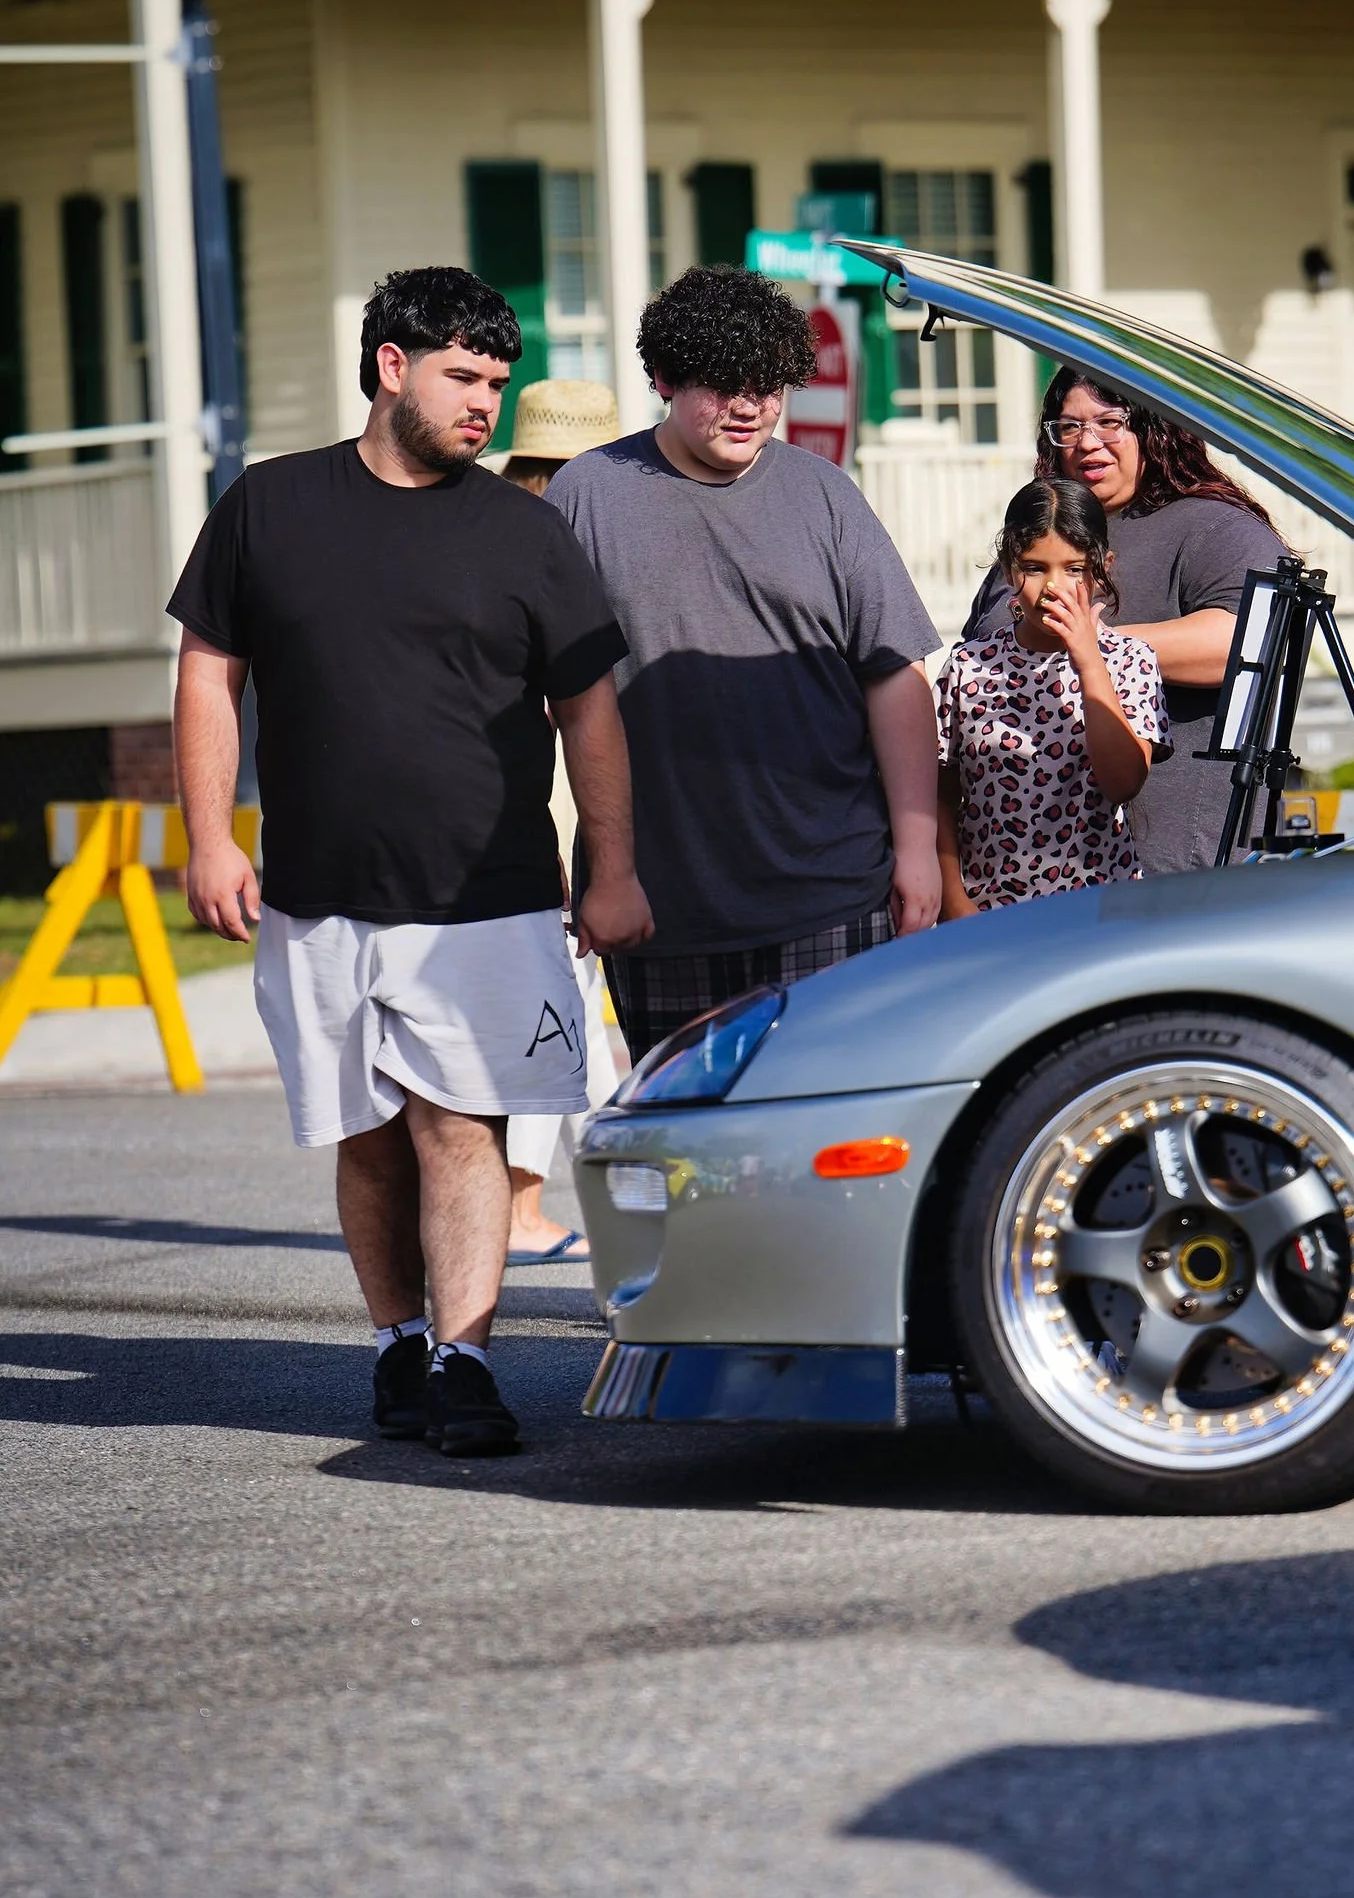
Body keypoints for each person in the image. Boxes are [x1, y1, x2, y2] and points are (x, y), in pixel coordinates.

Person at [170, 269, 654, 1459]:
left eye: (497, 382)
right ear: (392, 365)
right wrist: (210, 836)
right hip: (314, 892)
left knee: (462, 1126)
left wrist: (612, 867)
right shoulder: (268, 506)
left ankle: (466, 1357)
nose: (486, 403)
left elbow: (588, 710)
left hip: (483, 896)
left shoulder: (521, 529)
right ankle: (398, 1340)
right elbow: (206, 675)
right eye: (464, 376)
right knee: (366, 1135)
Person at [546, 265, 942, 1065]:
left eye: (769, 386)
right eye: (723, 384)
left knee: (831, 1136)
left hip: (833, 895)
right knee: (683, 1156)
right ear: (662, 377)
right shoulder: (585, 494)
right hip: (661, 907)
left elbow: (895, 676)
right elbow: (536, 696)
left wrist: (915, 849)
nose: (750, 406)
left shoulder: (827, 494)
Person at [961, 368, 1288, 874]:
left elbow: (1247, 646)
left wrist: (1093, 643)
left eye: (1109, 421)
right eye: (1068, 427)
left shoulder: (1215, 527)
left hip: (1175, 868)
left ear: (1153, 427)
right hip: (1017, 872)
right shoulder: (1035, 533)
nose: (1088, 443)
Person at [493, 378, 626, 1261]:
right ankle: (521, 1207)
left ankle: (608, 1198)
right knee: (558, 1015)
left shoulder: (487, 530)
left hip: (507, 808)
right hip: (557, 811)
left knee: (573, 1023)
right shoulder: (576, 547)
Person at [936, 478, 1168, 917]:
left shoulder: (1130, 661)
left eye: (1074, 569)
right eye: (1035, 567)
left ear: (1103, 569)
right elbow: (939, 794)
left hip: (1100, 913)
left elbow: (1124, 782)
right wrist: (954, 901)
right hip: (989, 916)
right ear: (1008, 570)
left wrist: (1087, 660)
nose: (1053, 588)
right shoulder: (970, 665)